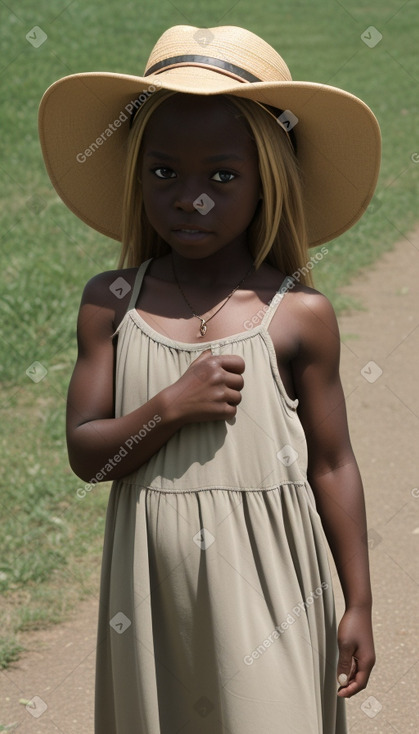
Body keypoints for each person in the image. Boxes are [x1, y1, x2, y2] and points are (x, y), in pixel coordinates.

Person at [38, 24, 381, 734]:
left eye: (222, 177)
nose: (190, 198)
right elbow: (85, 455)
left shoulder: (297, 315)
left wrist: (358, 602)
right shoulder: (112, 302)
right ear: (136, 175)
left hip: (272, 587)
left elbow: (332, 461)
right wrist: (168, 407)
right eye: (164, 172)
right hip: (152, 594)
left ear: (267, 183)